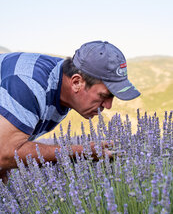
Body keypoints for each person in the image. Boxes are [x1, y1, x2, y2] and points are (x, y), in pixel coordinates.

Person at [0, 40, 140, 183]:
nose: (108, 105)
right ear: (76, 82)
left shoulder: (62, 86)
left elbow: (9, 151)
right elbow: (4, 154)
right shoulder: (29, 85)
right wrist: (81, 151)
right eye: (104, 95)